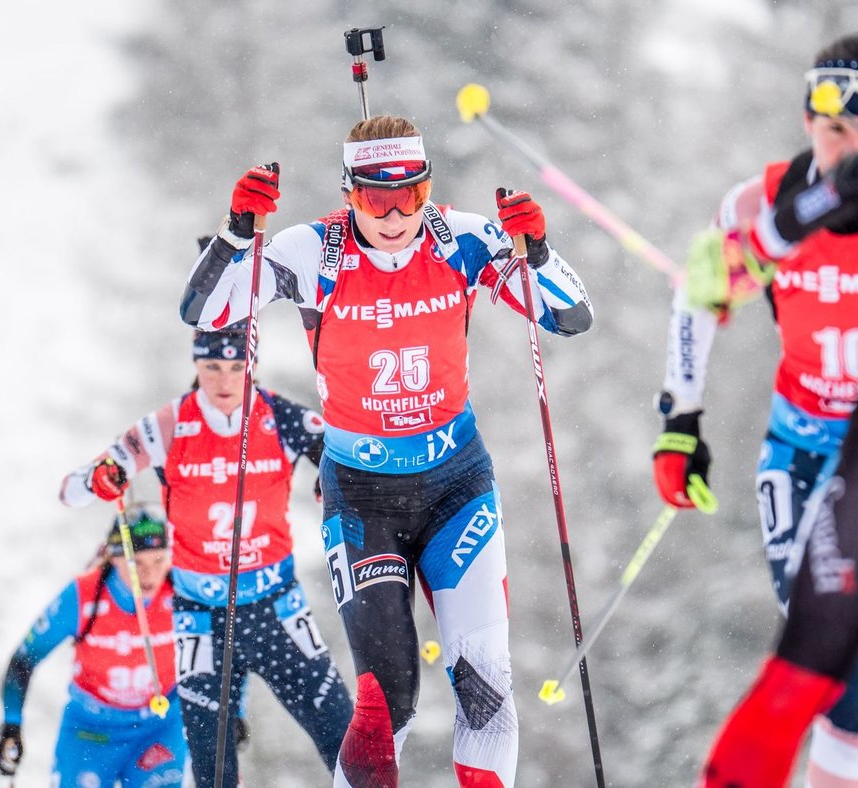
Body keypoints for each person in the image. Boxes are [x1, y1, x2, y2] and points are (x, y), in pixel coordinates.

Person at [179, 114, 594, 787]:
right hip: (363, 496)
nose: (397, 213)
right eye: (377, 197)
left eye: (413, 193)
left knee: (484, 689)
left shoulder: (459, 239)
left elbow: (570, 316)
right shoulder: (314, 252)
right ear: (350, 193)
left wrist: (537, 250)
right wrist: (235, 233)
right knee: (384, 704)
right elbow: (204, 313)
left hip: (456, 487)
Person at [652, 32, 858, 785]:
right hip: (803, 454)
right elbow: (696, 303)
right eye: (822, 125)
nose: (832, 147)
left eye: (853, 134)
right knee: (835, 678)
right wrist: (681, 420)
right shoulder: (759, 200)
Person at [59, 321, 353, 788]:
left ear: (251, 366)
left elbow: (354, 455)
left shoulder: (280, 417)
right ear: (196, 365)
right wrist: (101, 476)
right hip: (201, 619)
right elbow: (70, 490)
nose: (223, 380)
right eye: (211, 366)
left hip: (275, 608)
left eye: (236, 367)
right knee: (214, 773)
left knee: (347, 743)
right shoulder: (168, 425)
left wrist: (334, 479)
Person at [0, 506, 187, 787]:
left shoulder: (181, 590)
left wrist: (234, 715)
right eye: (137, 564)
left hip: (157, 728)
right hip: (90, 731)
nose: (149, 575)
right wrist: (12, 724)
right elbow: (24, 659)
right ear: (115, 558)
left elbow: (227, 650)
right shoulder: (84, 595)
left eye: (159, 561)